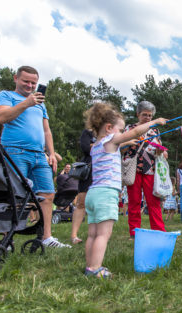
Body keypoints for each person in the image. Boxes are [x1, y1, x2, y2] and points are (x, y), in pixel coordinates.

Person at [83, 102, 166, 278]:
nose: (121, 133)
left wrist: (127, 141)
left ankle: (89, 266)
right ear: (108, 128)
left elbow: (122, 143)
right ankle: (96, 268)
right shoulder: (111, 140)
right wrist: (155, 121)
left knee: (92, 234)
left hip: (93, 193)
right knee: (103, 235)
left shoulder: (97, 145)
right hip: (106, 193)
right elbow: (135, 132)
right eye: (120, 130)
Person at [0, 65, 70, 248]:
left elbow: (47, 130)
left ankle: (46, 237)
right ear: (16, 78)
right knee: (14, 196)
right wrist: (26, 103)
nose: (30, 86)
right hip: (14, 152)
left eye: (33, 83)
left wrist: (51, 153)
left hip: (39, 154)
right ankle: (8, 238)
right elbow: (0, 117)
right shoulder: (6, 96)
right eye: (26, 81)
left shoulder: (40, 103)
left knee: (47, 194)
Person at [122, 101, 167, 239]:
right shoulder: (130, 128)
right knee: (134, 202)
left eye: (150, 115)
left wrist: (161, 151)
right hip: (133, 169)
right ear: (138, 114)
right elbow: (121, 148)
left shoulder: (155, 131)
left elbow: (161, 153)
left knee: (154, 202)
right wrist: (129, 142)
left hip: (150, 170)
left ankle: (159, 231)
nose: (147, 118)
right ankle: (134, 233)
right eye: (144, 115)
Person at [70, 129, 96, 244]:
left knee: (98, 204)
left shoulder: (110, 132)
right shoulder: (87, 132)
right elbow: (86, 148)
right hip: (88, 170)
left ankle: (97, 235)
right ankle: (74, 235)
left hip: (104, 171)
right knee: (81, 202)